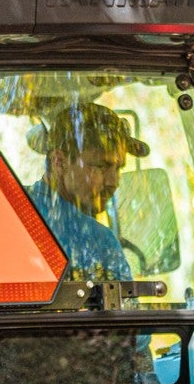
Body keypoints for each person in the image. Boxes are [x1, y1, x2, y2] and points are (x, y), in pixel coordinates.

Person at [25, 101, 147, 282]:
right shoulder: (100, 242)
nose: (114, 182)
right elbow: (122, 309)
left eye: (118, 168)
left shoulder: (9, 208)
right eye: (100, 166)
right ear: (59, 162)